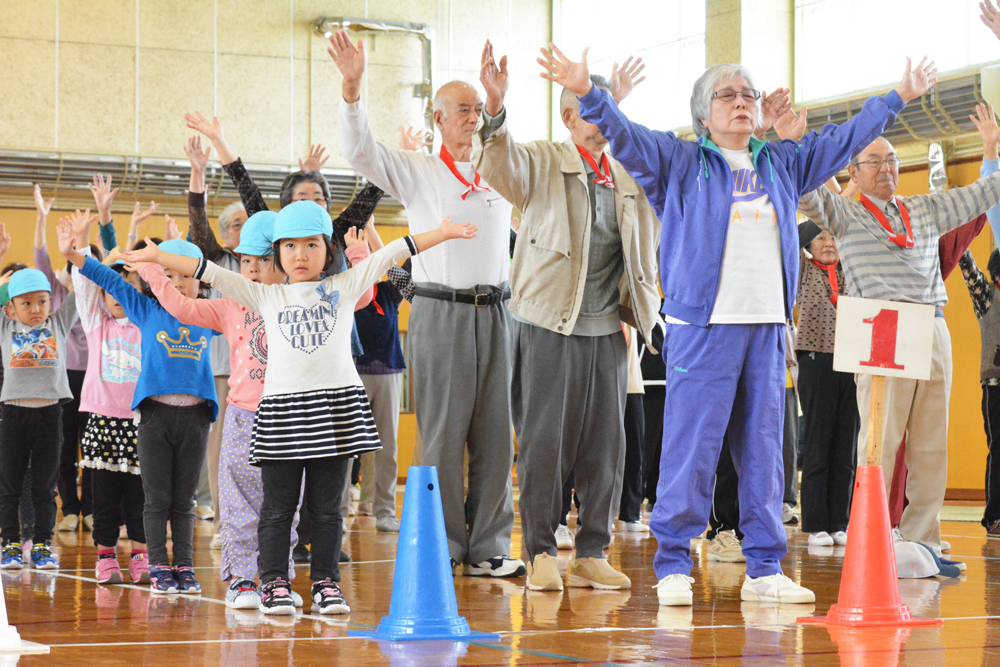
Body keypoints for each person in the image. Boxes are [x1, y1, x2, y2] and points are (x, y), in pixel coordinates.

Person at [543, 39, 937, 605]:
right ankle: (674, 562)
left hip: (768, 328)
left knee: (764, 452)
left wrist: (898, 96)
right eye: (726, 95)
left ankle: (765, 569)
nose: (741, 102)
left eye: (748, 94)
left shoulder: (782, 161)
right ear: (704, 114)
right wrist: (588, 92)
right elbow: (625, 136)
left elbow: (844, 140)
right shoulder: (678, 162)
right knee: (690, 447)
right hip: (703, 329)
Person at [123, 200, 477, 616]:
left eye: (311, 245)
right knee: (278, 508)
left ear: (328, 250)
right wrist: (155, 258)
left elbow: (395, 251)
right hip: (281, 415)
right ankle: (273, 582)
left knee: (328, 509)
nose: (301, 255)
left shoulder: (343, 285)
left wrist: (444, 232)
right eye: (290, 246)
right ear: (278, 254)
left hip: (335, 412)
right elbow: (208, 271)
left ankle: (326, 584)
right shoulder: (261, 296)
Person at [329, 29, 524, 578]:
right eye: (460, 109)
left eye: (475, 109)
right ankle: (442, 545)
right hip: (441, 312)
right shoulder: (418, 170)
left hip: (499, 312)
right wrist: (352, 89)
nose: (470, 117)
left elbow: (521, 166)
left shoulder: (499, 170)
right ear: (438, 119)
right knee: (440, 431)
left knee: (494, 432)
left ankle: (488, 546)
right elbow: (360, 150)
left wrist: (497, 101)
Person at [472, 41, 659, 591]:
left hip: (608, 328)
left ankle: (593, 551)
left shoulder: (627, 172)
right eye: (588, 110)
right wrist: (494, 107)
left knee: (607, 444)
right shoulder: (541, 161)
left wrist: (614, 109)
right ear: (567, 116)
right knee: (543, 443)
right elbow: (498, 165)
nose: (599, 123)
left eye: (606, 111)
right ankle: (540, 551)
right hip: (546, 322)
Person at [798, 105, 1000, 561]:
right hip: (880, 324)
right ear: (853, 170)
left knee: (931, 443)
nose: (887, 168)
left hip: (931, 324)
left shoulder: (924, 208)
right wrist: (797, 140)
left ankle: (923, 541)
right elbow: (808, 194)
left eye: (891, 160)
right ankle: (870, 535)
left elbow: (984, 192)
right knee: (879, 440)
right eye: (875, 161)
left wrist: (991, 150)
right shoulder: (845, 214)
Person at [66, 227, 219, 595]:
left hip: (196, 419)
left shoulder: (211, 314)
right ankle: (157, 565)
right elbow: (107, 279)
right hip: (154, 418)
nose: (180, 284)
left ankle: (183, 563)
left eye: (187, 276)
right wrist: (74, 255)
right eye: (170, 276)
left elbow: (242, 292)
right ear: (156, 282)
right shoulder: (147, 310)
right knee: (156, 499)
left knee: (184, 502)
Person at [63, 209, 149, 585]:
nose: (118, 296)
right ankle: (105, 557)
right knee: (104, 495)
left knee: (139, 495)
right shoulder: (98, 323)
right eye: (110, 289)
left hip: (139, 422)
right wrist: (83, 241)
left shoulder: (148, 323)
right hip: (101, 421)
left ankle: (142, 556)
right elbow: (83, 284)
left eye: (126, 288)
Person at [0, 257, 78, 570]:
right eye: (26, 303)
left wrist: (82, 251)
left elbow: (80, 292)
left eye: (42, 301)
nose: (35, 309)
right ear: (10, 308)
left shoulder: (58, 323)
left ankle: (43, 544)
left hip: (49, 415)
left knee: (45, 487)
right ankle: (10, 544)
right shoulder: (6, 327)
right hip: (14, 415)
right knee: (9, 486)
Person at [794, 221, 856, 547]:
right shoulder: (803, 271)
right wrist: (830, 209)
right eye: (821, 237)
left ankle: (839, 521)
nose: (828, 242)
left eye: (833, 236)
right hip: (816, 361)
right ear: (810, 245)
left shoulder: (851, 271)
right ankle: (816, 523)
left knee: (845, 445)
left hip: (852, 361)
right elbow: (795, 238)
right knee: (818, 440)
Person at [354, 223, 407, 533]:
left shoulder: (388, 291)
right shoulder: (347, 289)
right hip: (353, 373)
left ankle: (384, 510)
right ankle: (342, 507)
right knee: (347, 449)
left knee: (387, 448)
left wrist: (373, 233)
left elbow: (401, 273)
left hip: (388, 372)